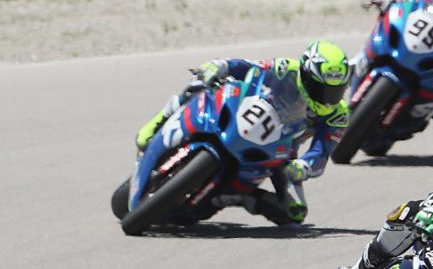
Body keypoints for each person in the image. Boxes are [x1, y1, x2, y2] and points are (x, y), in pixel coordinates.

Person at [134, 41, 351, 225]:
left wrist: (304, 167)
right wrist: (221, 67)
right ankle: (161, 120)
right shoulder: (287, 69)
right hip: (253, 114)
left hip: (283, 150)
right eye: (321, 88)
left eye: (336, 90)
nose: (328, 97)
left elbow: (321, 151)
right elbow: (249, 67)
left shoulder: (337, 115)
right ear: (306, 75)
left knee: (294, 212)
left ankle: (236, 197)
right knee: (200, 86)